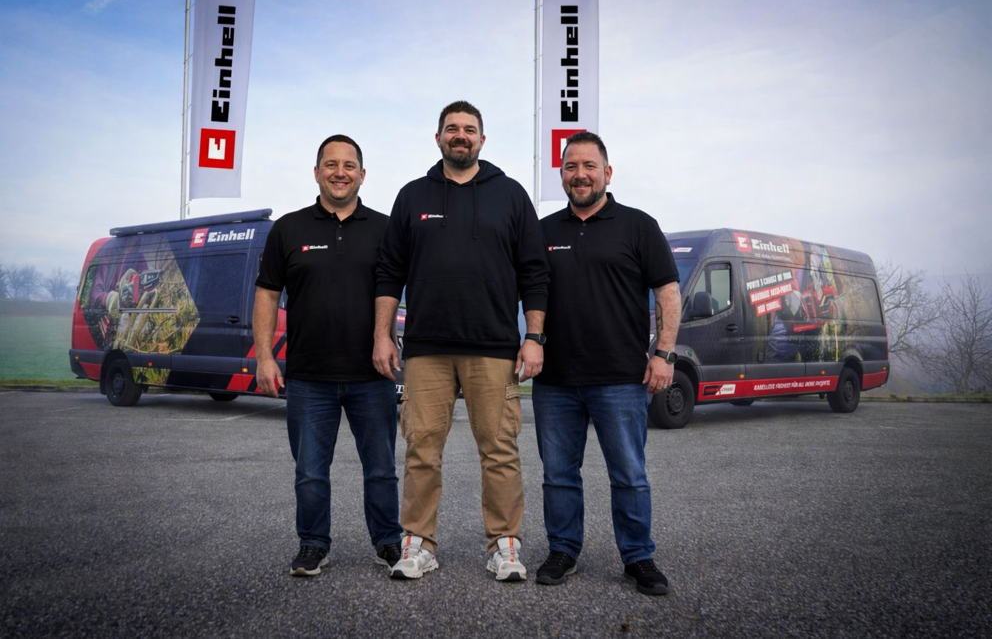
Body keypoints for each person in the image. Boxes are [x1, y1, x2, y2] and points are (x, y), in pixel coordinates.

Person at [373, 101, 550, 582]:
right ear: (438, 139)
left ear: (482, 140)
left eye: (469, 130)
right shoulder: (412, 196)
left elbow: (535, 272)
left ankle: (505, 546)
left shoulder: (510, 195)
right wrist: (383, 335)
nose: (460, 136)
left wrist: (533, 336)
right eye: (452, 129)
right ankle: (418, 544)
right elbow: (389, 272)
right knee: (421, 448)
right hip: (426, 348)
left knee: (499, 448)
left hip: (493, 347)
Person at [533, 131, 681, 596]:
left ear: (607, 173)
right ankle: (563, 550)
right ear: (562, 175)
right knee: (558, 474)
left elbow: (668, 294)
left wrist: (663, 353)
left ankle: (638, 557)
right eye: (571, 167)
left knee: (629, 475)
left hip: (620, 378)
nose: (580, 175)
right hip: (555, 379)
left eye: (589, 166)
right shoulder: (543, 231)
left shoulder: (638, 226)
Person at [253, 135, 403, 577]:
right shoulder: (288, 228)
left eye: (349, 164)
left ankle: (388, 541)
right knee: (311, 472)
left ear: (362, 173)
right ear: (316, 171)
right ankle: (313, 544)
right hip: (308, 376)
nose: (341, 172)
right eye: (331, 164)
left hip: (371, 376)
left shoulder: (385, 229)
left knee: (381, 469)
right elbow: (266, 294)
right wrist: (265, 357)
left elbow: (395, 288)